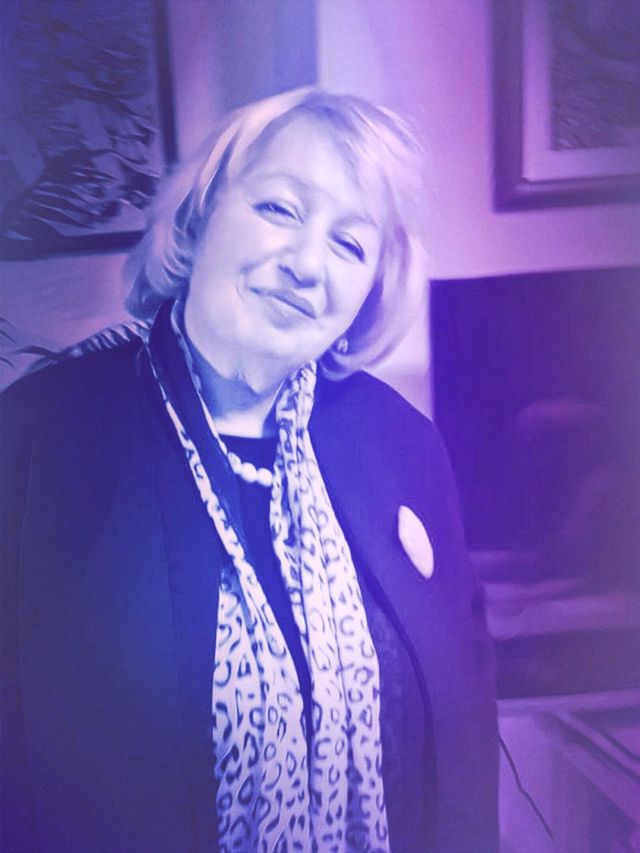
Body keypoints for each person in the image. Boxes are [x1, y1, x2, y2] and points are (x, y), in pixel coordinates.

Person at [1, 89, 498, 852]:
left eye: (349, 245)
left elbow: (465, 738)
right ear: (198, 219)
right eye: (279, 209)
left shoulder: (404, 445)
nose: (305, 264)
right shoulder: (38, 437)